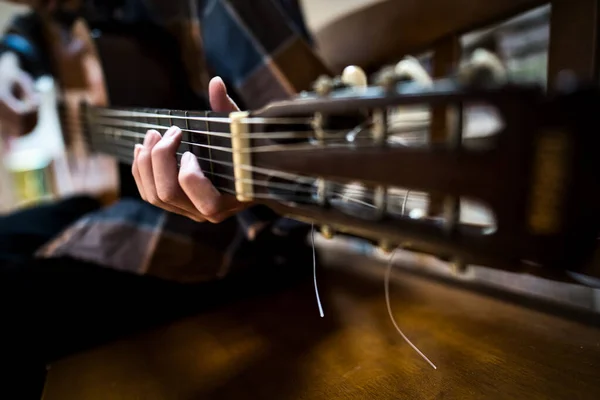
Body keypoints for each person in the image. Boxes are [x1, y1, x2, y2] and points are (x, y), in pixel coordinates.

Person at [0, 0, 329, 396]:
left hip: (242, 241)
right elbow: (35, 25)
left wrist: (251, 191)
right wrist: (12, 58)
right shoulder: (57, 11)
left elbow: (318, 160)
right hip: (114, 192)